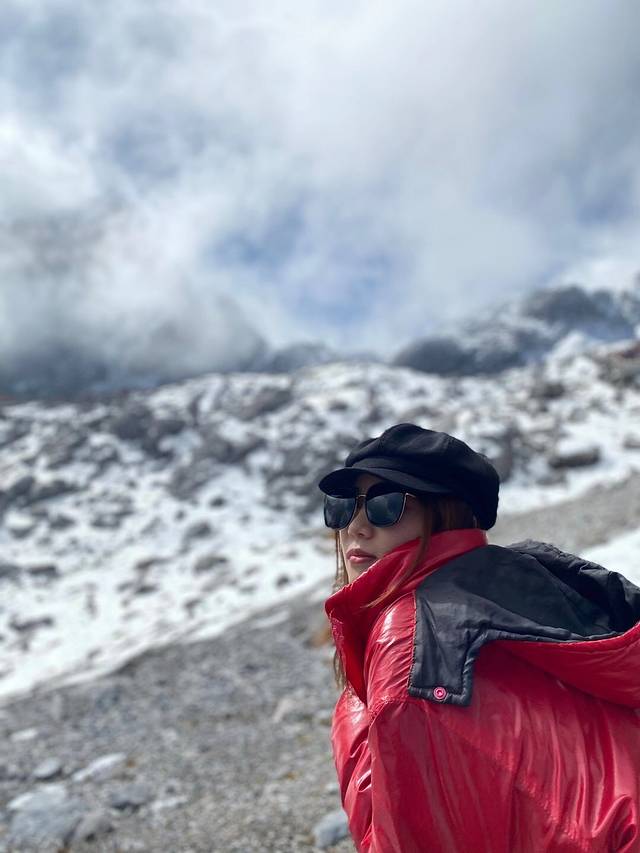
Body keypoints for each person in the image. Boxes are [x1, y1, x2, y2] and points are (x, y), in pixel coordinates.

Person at [317, 422, 640, 852]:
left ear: (446, 516)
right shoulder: (514, 580)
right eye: (343, 506)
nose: (356, 527)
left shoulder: (411, 649)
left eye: (387, 504)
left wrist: (359, 716)